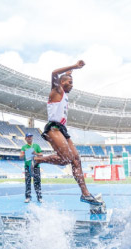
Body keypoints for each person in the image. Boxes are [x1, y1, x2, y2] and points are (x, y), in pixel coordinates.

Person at [33, 60, 103, 205]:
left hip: (63, 130)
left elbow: (64, 76)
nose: (72, 85)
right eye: (70, 83)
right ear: (62, 83)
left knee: (76, 159)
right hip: (53, 128)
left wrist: (70, 73)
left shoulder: (64, 93)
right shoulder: (57, 90)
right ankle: (38, 159)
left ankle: (85, 194)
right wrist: (73, 66)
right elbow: (54, 73)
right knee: (65, 159)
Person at [20, 133, 43, 203]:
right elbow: (20, 157)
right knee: (27, 182)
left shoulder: (36, 146)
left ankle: (39, 197)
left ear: (32, 138)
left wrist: (35, 153)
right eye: (28, 137)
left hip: (36, 166)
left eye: (30, 136)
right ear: (25, 139)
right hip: (27, 166)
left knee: (37, 182)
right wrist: (23, 154)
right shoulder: (24, 147)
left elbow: (41, 154)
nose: (29, 138)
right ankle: (28, 197)